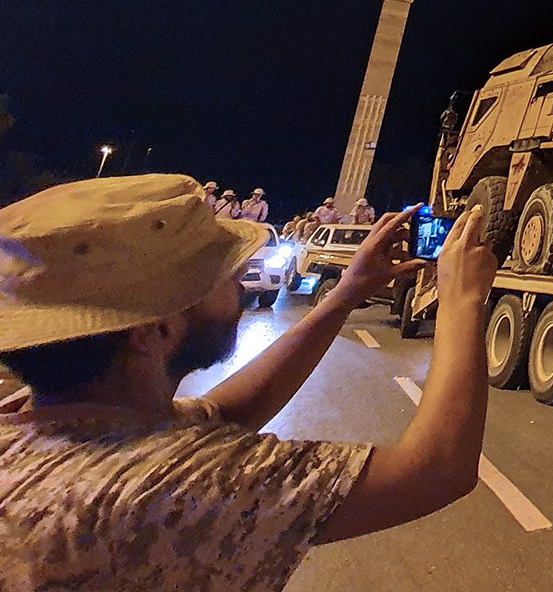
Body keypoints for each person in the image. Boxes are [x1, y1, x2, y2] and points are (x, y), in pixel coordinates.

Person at [0, 174, 501, 590]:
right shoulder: (166, 488)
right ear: (156, 330)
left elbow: (220, 416)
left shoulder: (35, 425)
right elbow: (436, 471)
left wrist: (345, 295)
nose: (238, 282)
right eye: (217, 273)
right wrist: (459, 299)